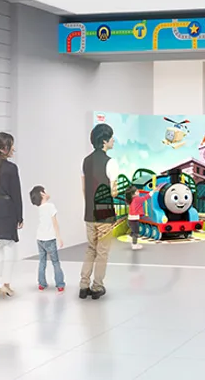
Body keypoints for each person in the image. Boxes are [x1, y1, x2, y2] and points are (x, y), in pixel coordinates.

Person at [80, 123, 120, 301]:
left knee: (91, 249)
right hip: (104, 215)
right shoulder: (111, 162)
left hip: (89, 213)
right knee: (102, 252)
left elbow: (84, 188)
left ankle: (83, 285)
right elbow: (113, 192)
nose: (113, 140)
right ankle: (97, 287)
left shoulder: (85, 161)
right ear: (104, 141)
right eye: (111, 138)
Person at [0, 132, 23, 297]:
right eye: (10, 145)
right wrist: (20, 216)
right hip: (8, 208)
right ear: (3, 149)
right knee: (9, 248)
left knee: (1, 247)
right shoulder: (11, 168)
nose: (13, 148)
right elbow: (16, 193)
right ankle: (6, 284)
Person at [31, 185, 65, 293]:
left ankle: (41, 284)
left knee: (42, 261)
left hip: (40, 238)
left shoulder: (40, 208)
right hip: (50, 238)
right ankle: (60, 284)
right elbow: (55, 223)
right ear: (42, 194)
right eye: (45, 191)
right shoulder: (50, 206)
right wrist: (59, 237)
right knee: (55, 262)